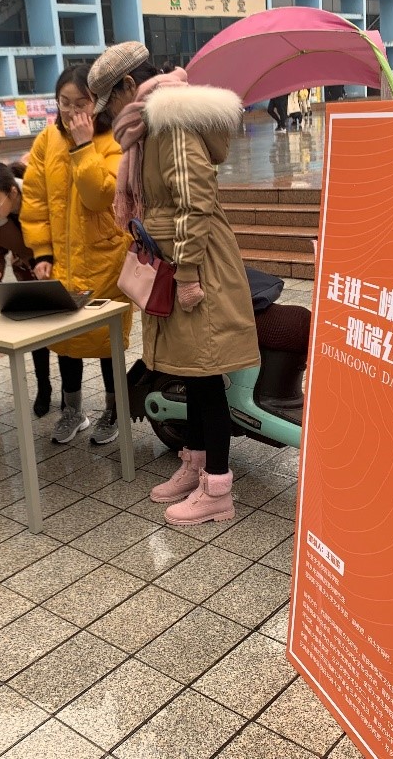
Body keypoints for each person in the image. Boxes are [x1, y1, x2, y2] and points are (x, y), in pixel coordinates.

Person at [89, 41, 258, 525]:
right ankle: (196, 464)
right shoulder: (148, 127)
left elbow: (195, 200)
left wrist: (186, 274)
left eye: (109, 102)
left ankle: (217, 490)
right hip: (176, 260)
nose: (109, 115)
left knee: (206, 377)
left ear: (128, 85)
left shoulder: (171, 120)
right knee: (191, 372)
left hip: (196, 267)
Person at [20, 64, 132, 445]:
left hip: (105, 258)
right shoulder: (47, 140)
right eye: (64, 102)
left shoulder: (114, 138)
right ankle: (73, 410)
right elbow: (35, 200)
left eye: (80, 102)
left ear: (97, 101)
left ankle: (114, 410)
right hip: (62, 261)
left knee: (106, 341)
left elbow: (100, 195)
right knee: (66, 341)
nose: (71, 111)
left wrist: (84, 146)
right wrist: (41, 253)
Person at [0, 160, 53, 416]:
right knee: (36, 333)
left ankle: (70, 395)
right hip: (27, 275)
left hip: (55, 269)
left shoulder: (39, 200)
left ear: (12, 192)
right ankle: (43, 387)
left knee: (67, 338)